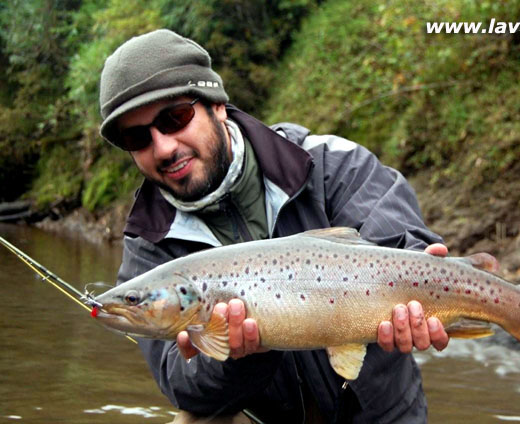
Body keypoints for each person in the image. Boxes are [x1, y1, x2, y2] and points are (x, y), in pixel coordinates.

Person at [99, 29, 449, 424]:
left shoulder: (327, 163)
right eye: (137, 137)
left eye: (174, 118)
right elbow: (182, 385)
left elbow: (399, 237)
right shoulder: (148, 240)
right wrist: (238, 356)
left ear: (217, 107)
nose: (163, 147)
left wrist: (425, 264)